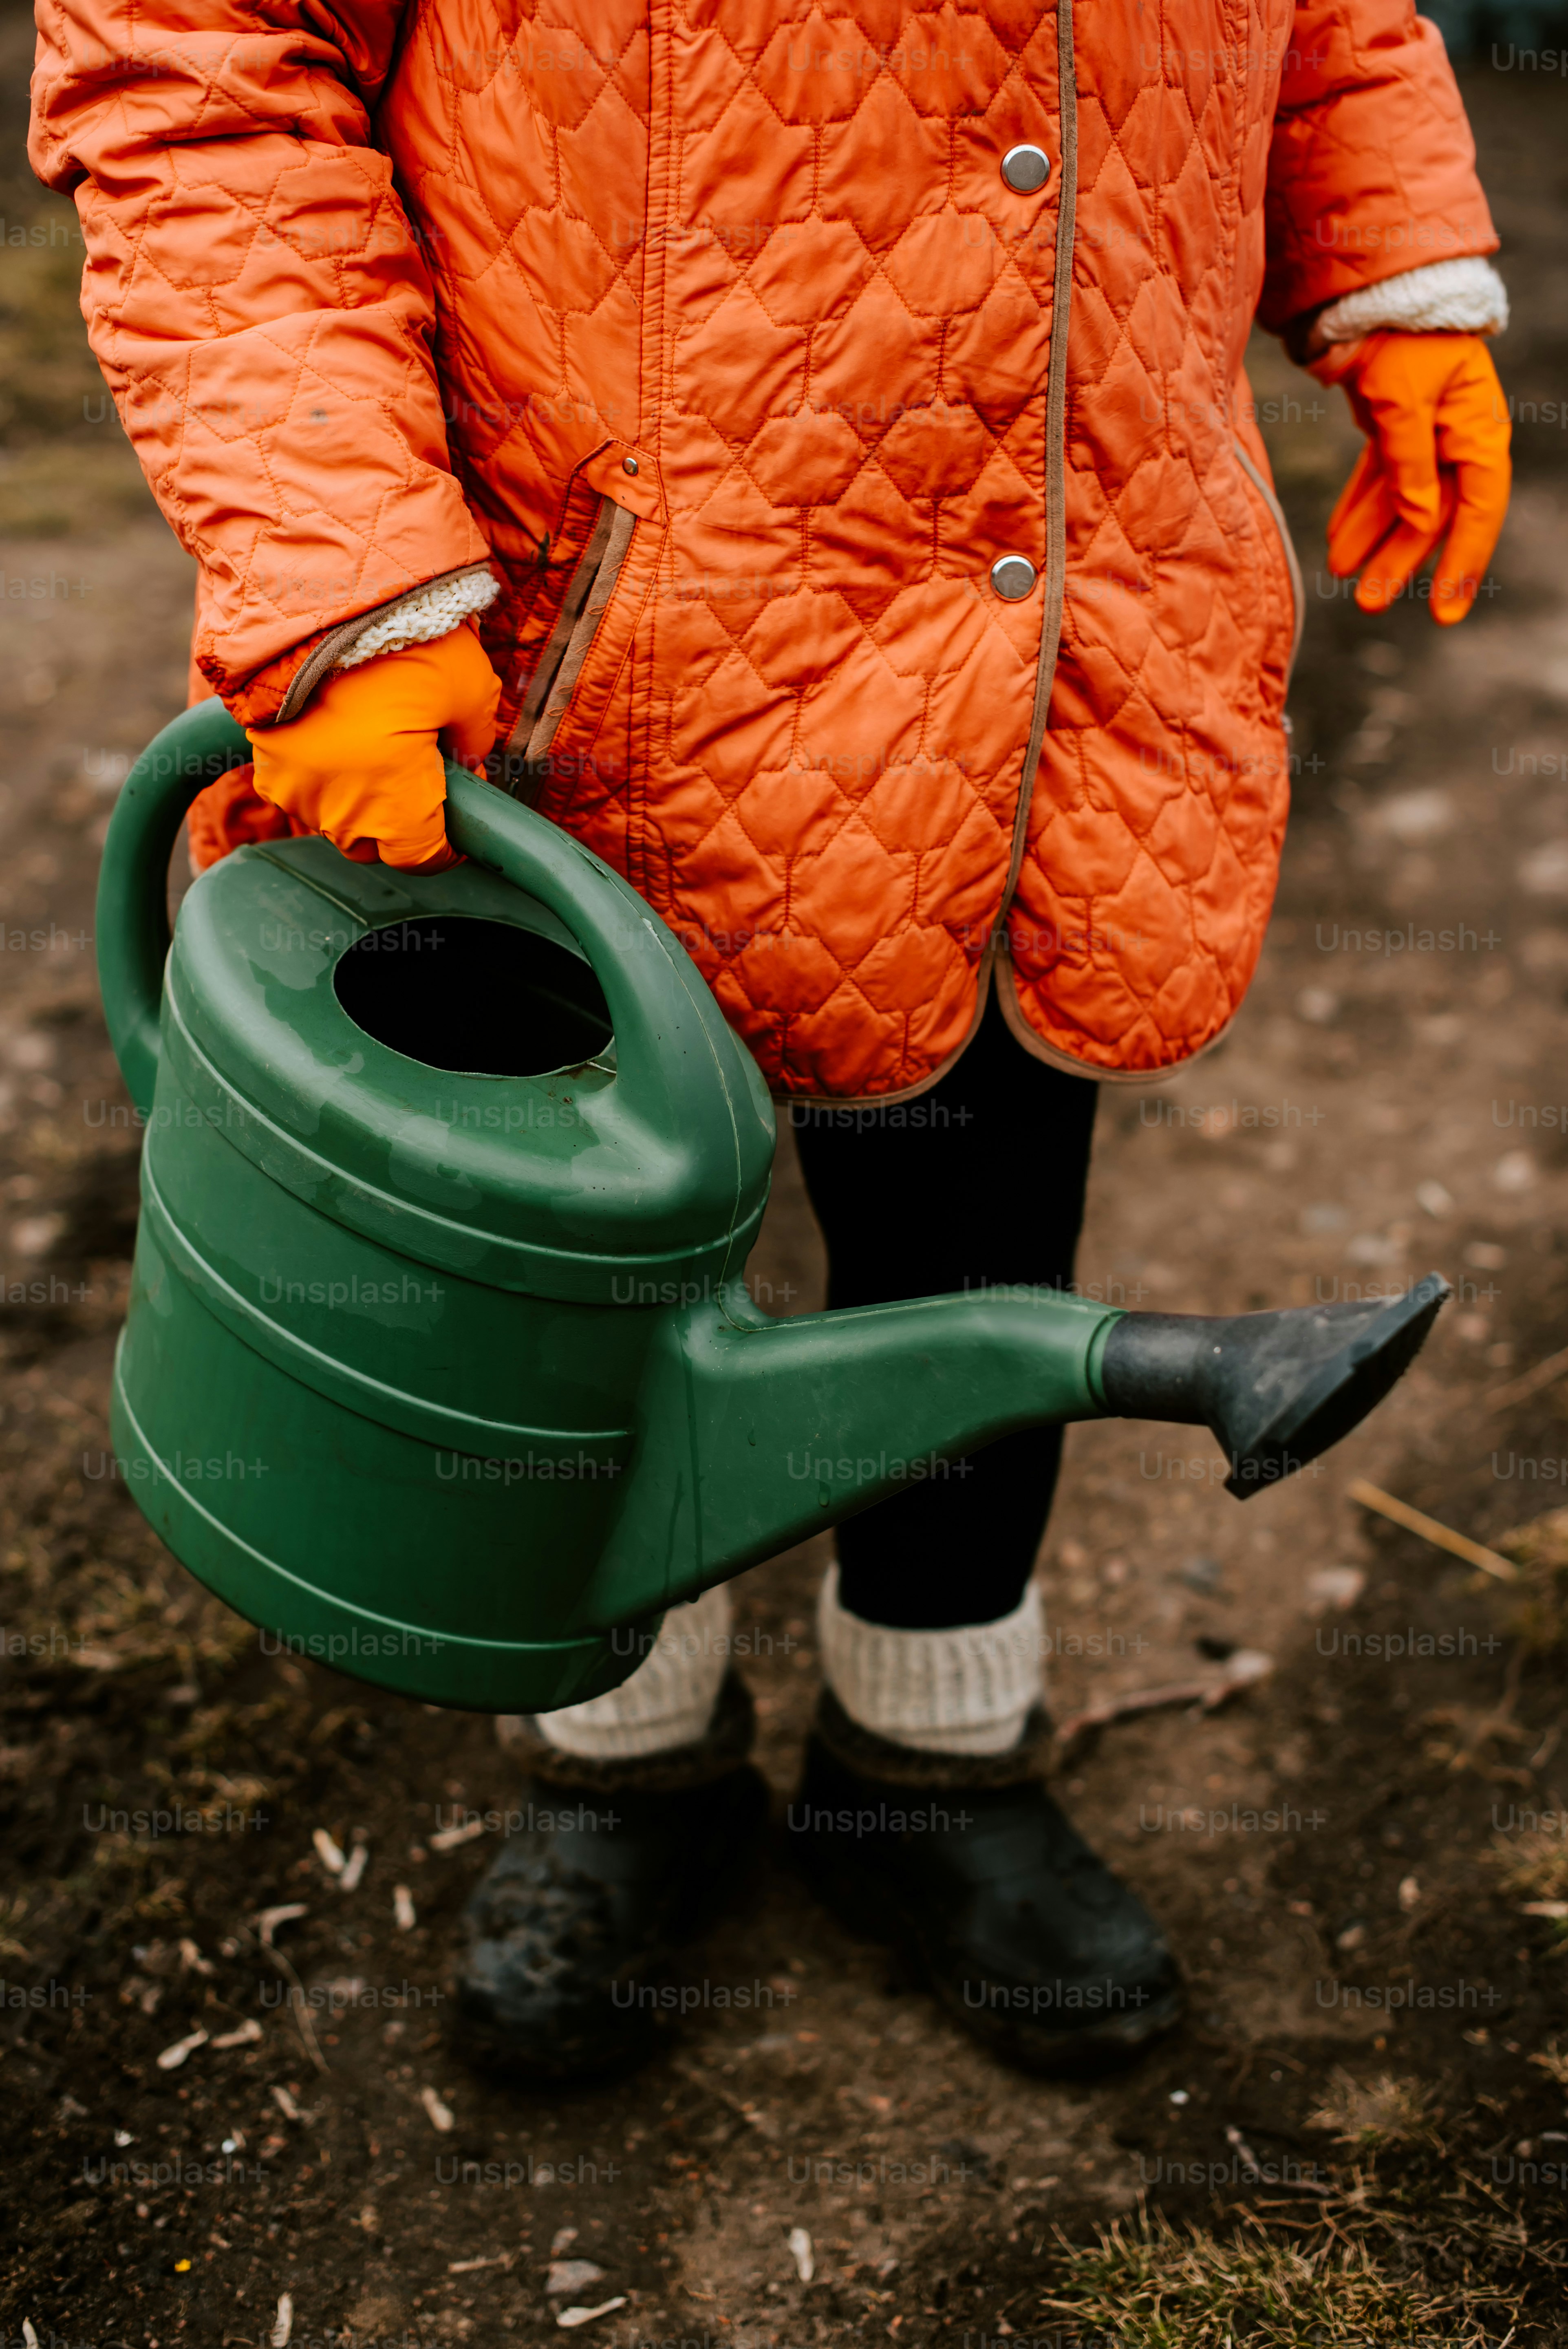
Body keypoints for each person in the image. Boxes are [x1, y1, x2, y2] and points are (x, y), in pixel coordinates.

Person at [33, 0, 1511, 2078]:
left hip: (1059, 598)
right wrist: (343, 580)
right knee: (561, 1224)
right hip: (589, 640)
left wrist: (1386, 257)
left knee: (983, 1164)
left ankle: (930, 1750)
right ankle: (620, 1749)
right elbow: (203, 66)